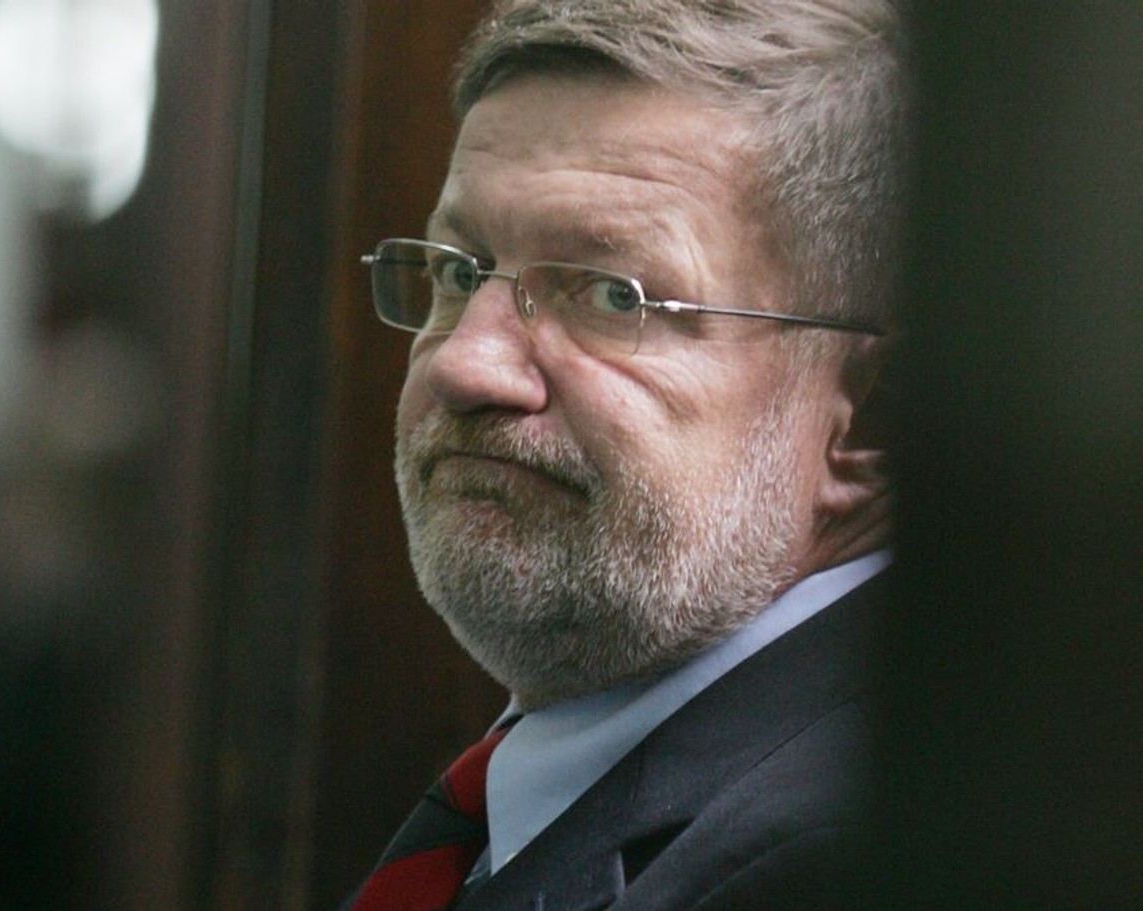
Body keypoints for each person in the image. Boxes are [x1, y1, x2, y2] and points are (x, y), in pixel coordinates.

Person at [348, 1, 908, 908]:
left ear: (873, 419)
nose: (463, 364)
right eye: (459, 270)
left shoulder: (843, 863)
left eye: (613, 294)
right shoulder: (520, 793)